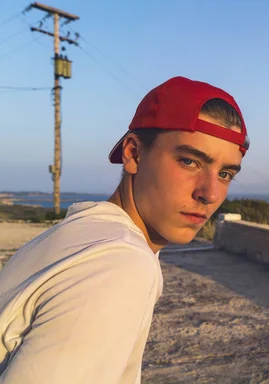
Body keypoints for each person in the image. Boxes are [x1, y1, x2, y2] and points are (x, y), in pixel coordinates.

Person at [0, 76, 250, 383]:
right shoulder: (119, 263)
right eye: (189, 161)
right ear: (133, 153)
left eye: (225, 174)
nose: (210, 193)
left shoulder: (79, 232)